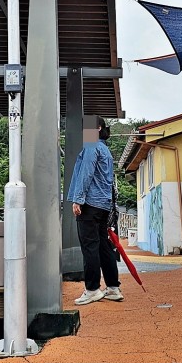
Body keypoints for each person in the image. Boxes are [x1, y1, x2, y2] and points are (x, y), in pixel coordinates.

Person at [67, 115, 123, 305]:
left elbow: (86, 173)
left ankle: (92, 289)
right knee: (102, 246)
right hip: (103, 205)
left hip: (90, 204)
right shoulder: (105, 150)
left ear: (98, 128)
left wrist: (78, 199)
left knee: (89, 246)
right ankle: (113, 287)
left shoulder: (91, 147)